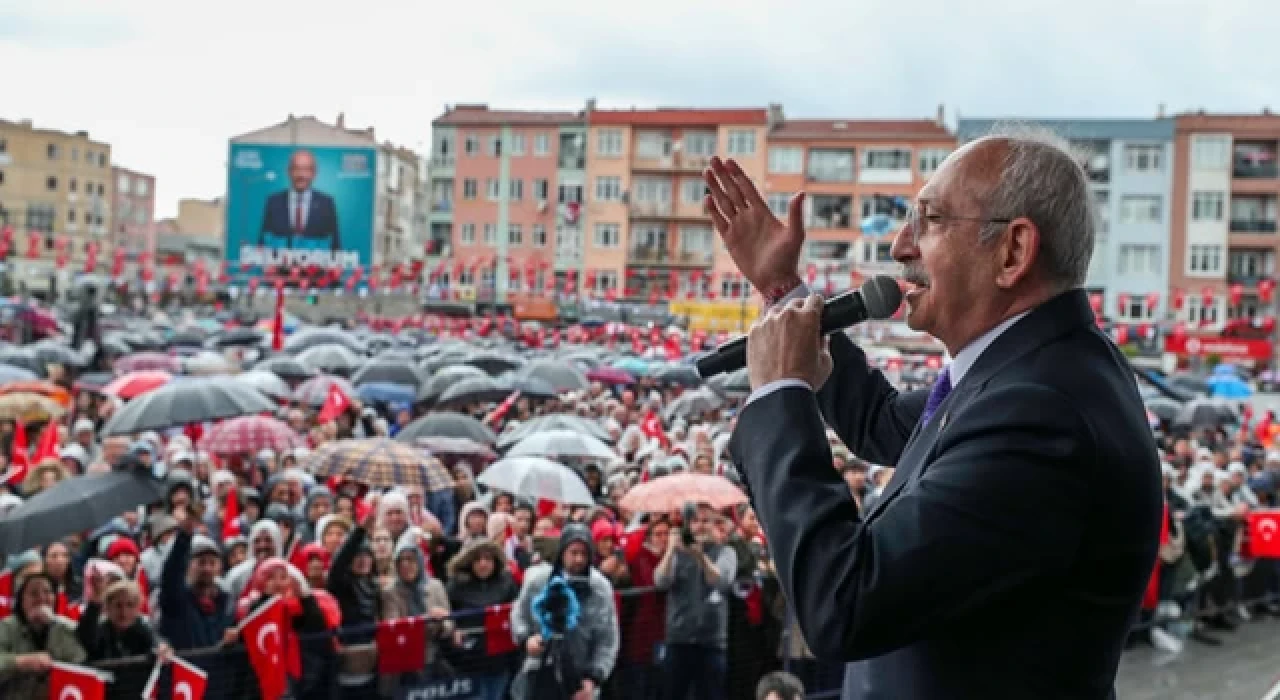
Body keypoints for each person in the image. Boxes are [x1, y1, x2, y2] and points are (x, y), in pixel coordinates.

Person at [703, 128, 1162, 699]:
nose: (899, 246)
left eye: (931, 220)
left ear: (1013, 251)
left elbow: (843, 603)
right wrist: (783, 290)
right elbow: (887, 422)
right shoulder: (1031, 372)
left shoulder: (1041, 412)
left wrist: (779, 396)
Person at [259, 149, 341, 252]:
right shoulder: (274, 202)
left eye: (306, 169)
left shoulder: (326, 204)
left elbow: (335, 246)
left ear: (314, 173)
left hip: (317, 267)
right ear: (289, 171)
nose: (301, 175)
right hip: (280, 267)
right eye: (296, 169)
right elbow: (263, 243)